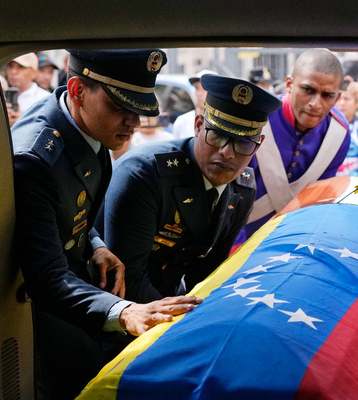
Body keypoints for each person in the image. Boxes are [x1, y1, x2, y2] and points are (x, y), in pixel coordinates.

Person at [11, 49, 202, 400]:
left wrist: (95, 244)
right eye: (121, 107)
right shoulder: (35, 157)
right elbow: (46, 275)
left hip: (77, 290)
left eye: (140, 107)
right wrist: (125, 311)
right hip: (38, 312)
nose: (134, 121)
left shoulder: (88, 129)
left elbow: (73, 206)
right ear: (79, 89)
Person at [103, 74, 281, 302]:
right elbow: (127, 278)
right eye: (218, 135)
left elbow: (206, 276)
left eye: (243, 142)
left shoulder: (242, 189)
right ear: (198, 126)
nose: (227, 152)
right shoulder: (145, 174)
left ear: (258, 146)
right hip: (118, 308)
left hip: (170, 301)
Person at [235, 49, 350, 244]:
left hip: (296, 240)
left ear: (337, 98)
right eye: (308, 90)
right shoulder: (256, 119)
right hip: (240, 237)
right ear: (289, 84)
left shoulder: (338, 134)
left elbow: (320, 201)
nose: (316, 104)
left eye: (327, 96)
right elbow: (231, 193)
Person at [5, 53, 51, 124]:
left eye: (21, 67)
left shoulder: (46, 99)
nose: (13, 71)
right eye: (10, 66)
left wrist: (21, 122)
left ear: (34, 72)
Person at [336, 76, 358, 176]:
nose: (342, 103)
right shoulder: (326, 125)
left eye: (346, 99)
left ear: (356, 103)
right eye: (338, 98)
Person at [172, 69, 217, 139]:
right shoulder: (182, 122)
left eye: (205, 89)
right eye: (197, 88)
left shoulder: (221, 124)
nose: (199, 93)